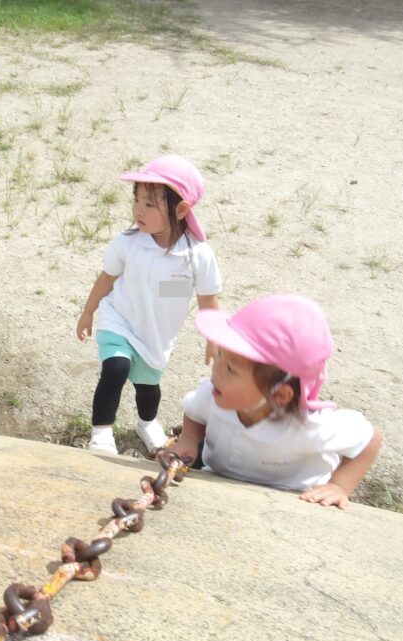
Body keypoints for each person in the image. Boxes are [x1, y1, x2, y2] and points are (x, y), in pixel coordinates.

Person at [175, 294, 382, 508]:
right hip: (220, 487)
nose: (216, 370)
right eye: (219, 354)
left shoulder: (309, 426)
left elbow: (370, 440)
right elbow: (194, 412)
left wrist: (339, 486)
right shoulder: (213, 394)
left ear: (279, 395)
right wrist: (189, 439)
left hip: (292, 499)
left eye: (230, 369)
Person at [76, 155, 222, 455]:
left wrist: (213, 338)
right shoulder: (128, 242)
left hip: (155, 336)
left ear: (181, 210)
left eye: (150, 204)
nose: (138, 210)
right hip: (119, 319)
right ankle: (101, 433)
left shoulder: (197, 255)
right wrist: (89, 311)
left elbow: (206, 299)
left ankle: (147, 423)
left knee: (148, 388)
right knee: (115, 368)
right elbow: (107, 278)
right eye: (136, 201)